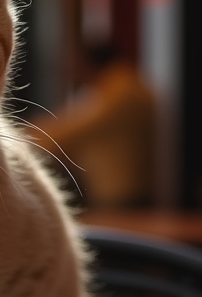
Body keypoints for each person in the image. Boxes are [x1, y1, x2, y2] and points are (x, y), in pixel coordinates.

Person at [34, 43, 156, 210]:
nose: (68, 72)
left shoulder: (122, 89)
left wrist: (21, 137)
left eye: (73, 64)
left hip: (122, 197)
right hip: (119, 193)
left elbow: (73, 128)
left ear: (86, 62)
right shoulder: (111, 87)